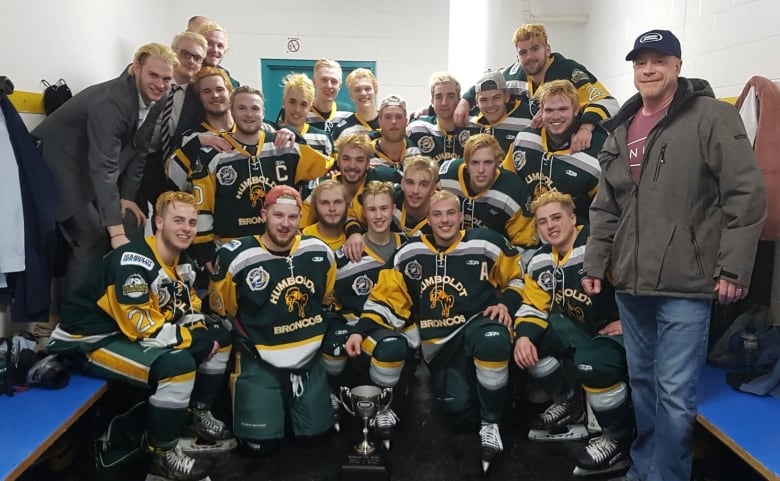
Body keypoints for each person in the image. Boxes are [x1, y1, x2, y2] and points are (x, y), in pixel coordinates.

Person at [581, 29, 766, 481]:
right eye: (641, 61)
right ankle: (645, 468)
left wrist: (734, 267)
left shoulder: (711, 117)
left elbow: (746, 193)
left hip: (688, 282)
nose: (649, 68)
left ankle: (668, 476)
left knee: (676, 393)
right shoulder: (622, 128)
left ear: (677, 66)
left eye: (659, 60)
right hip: (631, 281)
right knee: (643, 385)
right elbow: (607, 205)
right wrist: (594, 261)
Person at [48, 191, 233, 481]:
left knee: (220, 335)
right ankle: (162, 454)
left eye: (192, 222)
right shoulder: (132, 263)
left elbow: (188, 308)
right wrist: (192, 340)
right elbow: (143, 328)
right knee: (178, 364)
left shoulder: (182, 261)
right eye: (178, 220)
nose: (186, 228)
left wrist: (200, 333)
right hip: (91, 338)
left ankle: (196, 414)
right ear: (159, 222)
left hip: (126, 332)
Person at [352, 190, 525, 472]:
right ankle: (482, 401)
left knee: (493, 341)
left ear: (460, 216)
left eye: (450, 213)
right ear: (428, 220)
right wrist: (360, 330)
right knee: (458, 416)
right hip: (440, 347)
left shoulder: (486, 243)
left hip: (478, 326)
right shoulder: (410, 253)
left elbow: (518, 278)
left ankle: (491, 422)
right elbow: (386, 297)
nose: (445, 220)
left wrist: (506, 303)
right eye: (437, 214)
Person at [32, 43, 178, 293]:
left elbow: (140, 147)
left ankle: (114, 304)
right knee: (90, 236)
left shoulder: (161, 96)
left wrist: (128, 197)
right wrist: (115, 233)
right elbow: (103, 167)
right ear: (136, 69)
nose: (160, 83)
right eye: (153, 75)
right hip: (54, 164)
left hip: (88, 165)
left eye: (166, 78)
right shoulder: (112, 102)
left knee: (131, 218)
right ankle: (74, 320)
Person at [208, 185, 337, 456]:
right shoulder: (236, 256)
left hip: (308, 358)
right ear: (264, 214)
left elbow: (325, 299)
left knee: (316, 439)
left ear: (301, 217)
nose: (285, 224)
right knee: (260, 447)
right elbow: (224, 310)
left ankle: (299, 406)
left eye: (292, 217)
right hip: (259, 357)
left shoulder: (319, 251)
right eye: (278, 215)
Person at [513, 191, 632, 477]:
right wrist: (523, 337)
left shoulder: (598, 243)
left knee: (592, 362)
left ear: (573, 218)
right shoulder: (540, 260)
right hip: (583, 330)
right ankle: (568, 402)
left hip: (620, 331)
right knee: (528, 339)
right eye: (542, 222)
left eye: (556, 218)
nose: (550, 226)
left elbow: (639, 280)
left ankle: (616, 437)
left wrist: (629, 322)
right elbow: (532, 305)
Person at [186, 86, 331, 268]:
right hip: (231, 251)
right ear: (231, 110)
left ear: (264, 112)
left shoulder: (286, 147)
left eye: (255, 108)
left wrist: (294, 135)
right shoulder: (212, 154)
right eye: (241, 108)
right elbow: (203, 207)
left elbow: (328, 169)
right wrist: (204, 249)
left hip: (279, 247)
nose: (249, 114)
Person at [456, 23, 618, 153]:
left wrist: (585, 128)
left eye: (535, 49)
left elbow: (607, 101)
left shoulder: (568, 71)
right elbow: (489, 82)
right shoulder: (514, 74)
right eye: (523, 52)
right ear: (517, 57)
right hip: (535, 147)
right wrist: (465, 100)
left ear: (547, 49)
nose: (529, 57)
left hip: (572, 148)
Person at [503, 79, 604, 225]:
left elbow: (607, 209)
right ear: (541, 111)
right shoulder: (525, 138)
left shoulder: (596, 149)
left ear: (576, 110)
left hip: (578, 237)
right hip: (529, 235)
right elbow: (506, 181)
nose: (556, 116)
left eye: (563, 109)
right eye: (549, 110)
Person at [137, 32, 208, 216]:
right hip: (133, 163)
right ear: (173, 52)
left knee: (168, 220)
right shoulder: (147, 80)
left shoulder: (199, 96)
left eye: (197, 57)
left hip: (168, 169)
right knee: (134, 222)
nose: (191, 60)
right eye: (185, 53)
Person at [438, 133, 536, 252]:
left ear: (497, 162)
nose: (481, 170)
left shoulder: (513, 191)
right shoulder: (446, 177)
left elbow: (526, 246)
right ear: (466, 164)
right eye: (475, 163)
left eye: (488, 162)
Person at [408, 72, 470, 164]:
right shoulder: (417, 128)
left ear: (459, 100)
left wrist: (467, 102)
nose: (444, 102)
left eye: (450, 96)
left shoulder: (473, 127)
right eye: (438, 97)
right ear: (432, 101)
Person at [464, 71, 534, 153]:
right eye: (483, 100)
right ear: (476, 102)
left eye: (496, 98)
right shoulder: (466, 120)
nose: (490, 105)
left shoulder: (528, 118)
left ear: (506, 96)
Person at [279, 73, 333, 158]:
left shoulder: (322, 139)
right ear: (284, 102)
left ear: (310, 107)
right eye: (292, 102)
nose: (297, 109)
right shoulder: (272, 134)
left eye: (303, 104)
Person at [392, 155, 438, 238]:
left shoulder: (442, 212)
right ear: (402, 184)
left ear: (433, 189)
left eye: (423, 185)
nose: (415, 191)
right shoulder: (390, 198)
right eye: (410, 182)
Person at [330, 68, 380, 140]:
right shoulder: (343, 130)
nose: (363, 93)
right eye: (357, 90)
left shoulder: (388, 124)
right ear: (351, 95)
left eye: (368, 89)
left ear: (375, 91)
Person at [308, 58, 353, 134]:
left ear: (340, 85)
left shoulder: (348, 114)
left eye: (334, 81)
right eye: (324, 80)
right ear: (314, 82)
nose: (329, 86)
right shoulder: (300, 113)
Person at [301, 180, 348, 251]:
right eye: (325, 203)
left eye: (337, 202)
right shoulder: (301, 241)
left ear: (346, 205)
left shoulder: (357, 239)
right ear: (315, 207)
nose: (332, 208)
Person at [196, 21, 239, 88]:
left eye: (220, 46)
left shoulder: (231, 83)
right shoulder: (184, 77)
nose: (215, 50)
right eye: (209, 43)